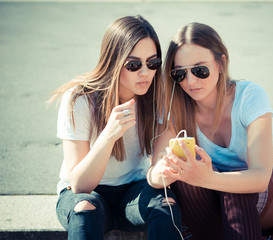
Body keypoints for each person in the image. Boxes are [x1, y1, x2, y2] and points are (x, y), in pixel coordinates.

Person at [147, 22, 273, 240]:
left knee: (235, 190)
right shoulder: (174, 106)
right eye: (180, 73)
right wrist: (166, 170)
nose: (190, 81)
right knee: (184, 180)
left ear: (220, 63)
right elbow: (153, 176)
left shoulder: (249, 96)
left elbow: (260, 178)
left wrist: (206, 178)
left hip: (272, 186)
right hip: (215, 196)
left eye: (200, 70)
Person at [48, 15, 183, 240]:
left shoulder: (158, 95)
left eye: (153, 63)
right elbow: (80, 185)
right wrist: (108, 135)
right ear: (113, 61)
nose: (145, 73)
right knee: (84, 209)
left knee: (165, 204)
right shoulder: (80, 98)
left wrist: (169, 168)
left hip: (133, 193)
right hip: (86, 195)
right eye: (133, 65)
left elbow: (157, 170)